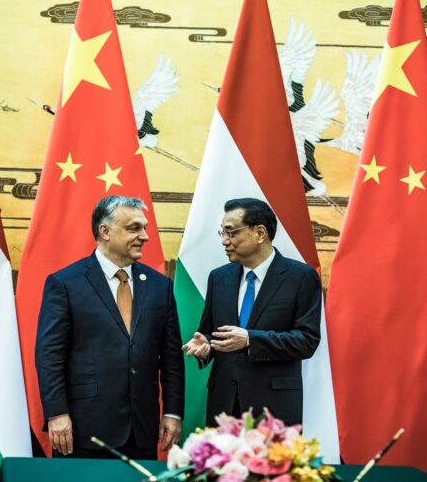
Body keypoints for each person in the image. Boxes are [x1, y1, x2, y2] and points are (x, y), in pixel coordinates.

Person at [36, 195, 184, 459]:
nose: (145, 236)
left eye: (144, 228)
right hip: (83, 429)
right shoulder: (65, 283)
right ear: (104, 231)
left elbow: (171, 357)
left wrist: (172, 412)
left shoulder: (160, 286)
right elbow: (50, 356)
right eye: (134, 228)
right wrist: (57, 413)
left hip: (141, 429)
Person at [182, 198, 321, 426]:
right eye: (222, 233)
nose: (225, 241)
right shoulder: (219, 277)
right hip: (224, 404)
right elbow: (211, 332)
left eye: (231, 232)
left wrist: (250, 340)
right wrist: (206, 344)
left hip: (273, 408)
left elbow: (307, 341)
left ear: (260, 233)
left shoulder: (300, 277)